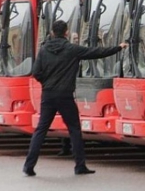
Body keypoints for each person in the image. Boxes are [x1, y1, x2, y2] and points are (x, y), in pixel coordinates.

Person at [23, 20, 128, 176]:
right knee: (74, 129)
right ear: (66, 32)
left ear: (52, 32)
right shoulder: (72, 49)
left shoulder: (44, 50)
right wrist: (119, 47)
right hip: (65, 95)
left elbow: (36, 72)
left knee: (41, 130)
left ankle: (29, 166)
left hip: (48, 94)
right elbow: (96, 52)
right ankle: (79, 166)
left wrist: (47, 83)